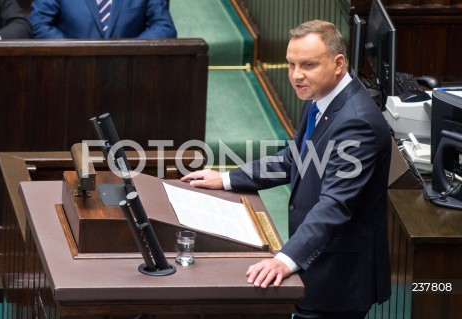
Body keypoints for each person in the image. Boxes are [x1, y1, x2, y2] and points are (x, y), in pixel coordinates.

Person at [181, 20, 392, 319]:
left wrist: (286, 259)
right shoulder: (319, 96)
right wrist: (228, 178)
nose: (296, 75)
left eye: (307, 64)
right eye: (291, 64)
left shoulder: (357, 124)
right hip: (319, 264)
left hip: (337, 277)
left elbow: (334, 205)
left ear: (339, 64)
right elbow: (296, 158)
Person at [28, 0, 177, 39]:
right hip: (71, 75)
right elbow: (38, 23)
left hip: (130, 76)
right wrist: (75, 51)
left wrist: (130, 50)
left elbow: (164, 26)